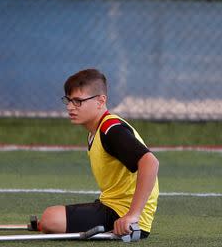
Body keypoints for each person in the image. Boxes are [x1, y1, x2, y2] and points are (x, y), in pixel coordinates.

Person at [38, 68, 160, 237]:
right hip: (111, 205)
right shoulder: (96, 131)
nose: (70, 107)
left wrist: (133, 216)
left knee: (50, 219)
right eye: (68, 100)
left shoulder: (111, 129)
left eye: (78, 101)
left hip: (124, 216)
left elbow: (150, 162)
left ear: (100, 101)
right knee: (49, 218)